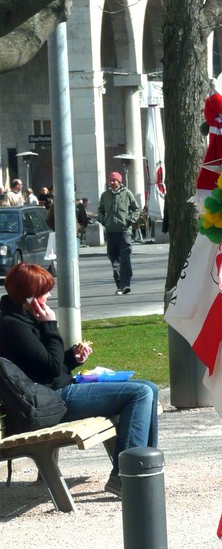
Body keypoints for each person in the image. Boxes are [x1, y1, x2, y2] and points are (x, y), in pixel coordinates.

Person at [0, 263, 159, 496]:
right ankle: (126, 477)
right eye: (45, 292)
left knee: (150, 387)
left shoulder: (24, 317)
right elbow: (51, 370)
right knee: (140, 394)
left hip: (54, 392)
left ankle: (145, 466)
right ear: (30, 296)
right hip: (51, 401)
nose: (50, 296)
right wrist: (49, 325)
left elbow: (46, 366)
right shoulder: (13, 326)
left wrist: (72, 358)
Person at [98, 171, 139, 294]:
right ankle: (119, 285)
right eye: (110, 180)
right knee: (114, 259)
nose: (111, 183)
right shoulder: (105, 195)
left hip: (124, 232)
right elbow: (100, 211)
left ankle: (126, 284)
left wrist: (129, 220)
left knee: (125, 258)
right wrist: (104, 221)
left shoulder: (127, 194)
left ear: (119, 182)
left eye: (113, 180)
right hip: (111, 232)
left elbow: (136, 209)